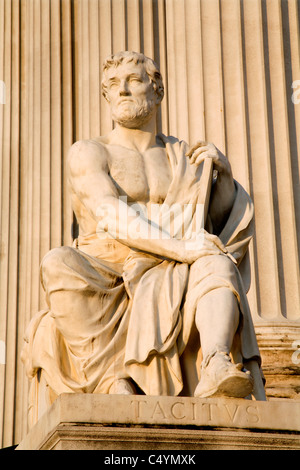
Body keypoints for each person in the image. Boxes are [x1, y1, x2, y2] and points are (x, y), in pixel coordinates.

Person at [22, 51, 264, 414]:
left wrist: (224, 179)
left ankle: (215, 362)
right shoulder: (89, 152)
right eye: (112, 86)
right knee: (57, 263)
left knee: (216, 259)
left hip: (174, 264)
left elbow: (214, 220)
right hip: (107, 266)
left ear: (157, 91)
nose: (122, 91)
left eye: (133, 82)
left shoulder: (180, 154)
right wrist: (183, 250)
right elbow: (110, 214)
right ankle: (110, 379)